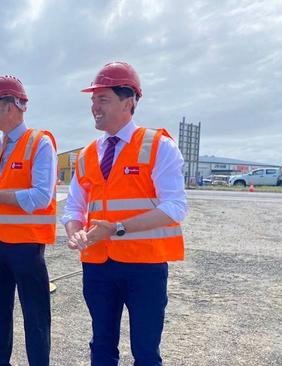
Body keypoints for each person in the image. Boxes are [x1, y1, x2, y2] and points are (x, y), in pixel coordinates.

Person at [62, 62, 188, 366]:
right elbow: (73, 207)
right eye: (93, 100)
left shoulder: (159, 146)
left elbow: (175, 207)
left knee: (145, 351)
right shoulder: (87, 153)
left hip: (144, 266)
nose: (94, 107)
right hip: (98, 265)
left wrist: (118, 227)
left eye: (102, 99)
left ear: (129, 102)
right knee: (101, 346)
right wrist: (75, 231)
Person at [0, 75, 58, 366]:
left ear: (11, 107)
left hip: (26, 245)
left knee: (35, 316)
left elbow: (41, 195)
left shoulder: (40, 143)